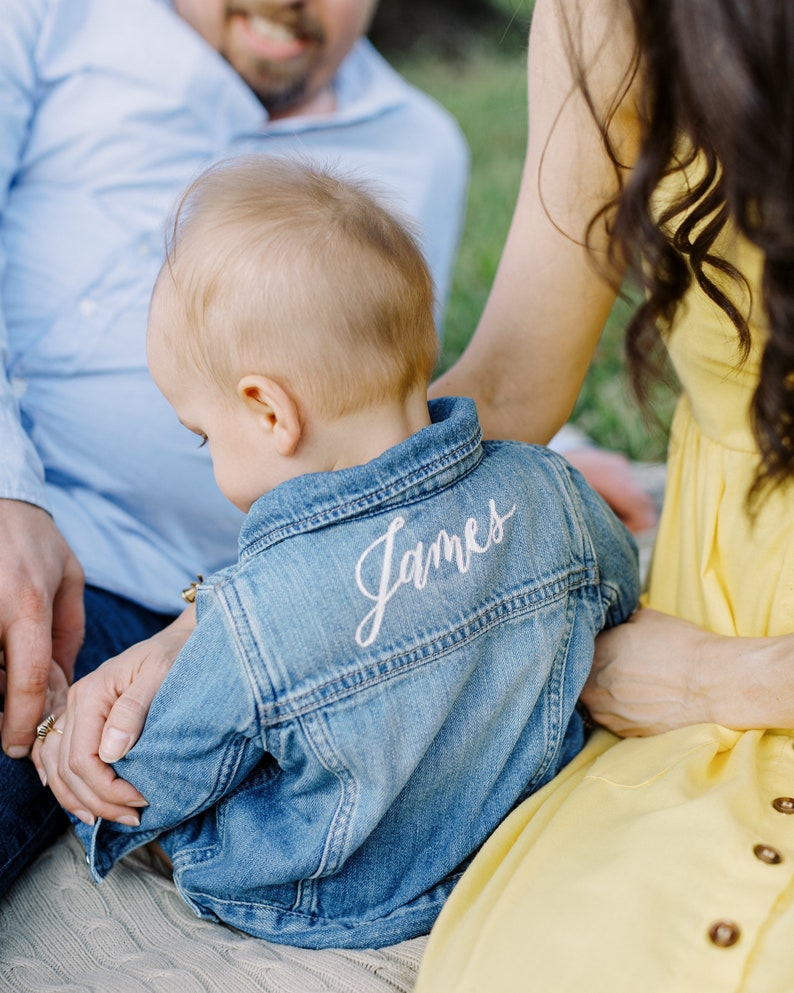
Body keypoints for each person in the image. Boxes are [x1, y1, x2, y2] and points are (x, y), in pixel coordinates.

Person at [35, 157, 639, 949]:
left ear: (268, 410)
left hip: (328, 897)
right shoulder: (548, 488)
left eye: (203, 434)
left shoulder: (256, 616)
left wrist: (57, 733)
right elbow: (618, 586)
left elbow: (147, 781)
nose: (207, 453)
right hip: (518, 837)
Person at [0, 0, 474, 895]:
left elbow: (376, 378)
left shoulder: (420, 149)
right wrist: (7, 490)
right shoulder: (51, 19)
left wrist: (502, 432)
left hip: (177, 596)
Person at [408, 0, 794, 990]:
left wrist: (723, 680)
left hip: (704, 672)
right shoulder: (606, 14)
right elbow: (512, 377)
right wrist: (239, 621)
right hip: (726, 598)